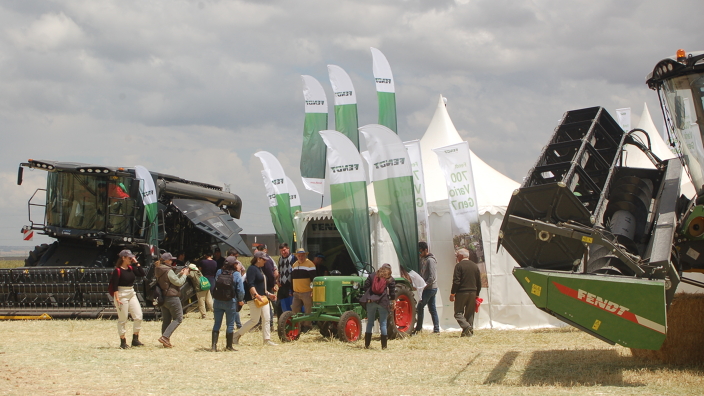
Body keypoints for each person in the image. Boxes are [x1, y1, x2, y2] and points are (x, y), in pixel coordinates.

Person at [232, 251, 278, 346]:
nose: (265, 261)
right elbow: (251, 284)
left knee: (267, 318)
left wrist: (269, 295)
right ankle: (235, 336)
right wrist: (256, 295)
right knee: (254, 320)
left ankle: (267, 339)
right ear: (258, 259)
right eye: (264, 259)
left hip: (263, 298)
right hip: (255, 299)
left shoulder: (260, 269)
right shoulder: (252, 269)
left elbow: (262, 287)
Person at [108, 249, 145, 349]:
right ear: (123, 258)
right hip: (121, 294)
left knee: (138, 316)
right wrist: (117, 298)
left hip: (131, 293)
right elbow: (115, 286)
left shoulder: (131, 268)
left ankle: (135, 339)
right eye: (129, 258)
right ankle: (123, 341)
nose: (131, 259)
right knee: (123, 319)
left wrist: (136, 262)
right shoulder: (117, 270)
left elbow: (142, 273)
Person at [155, 252, 190, 347]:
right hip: (172, 297)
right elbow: (178, 283)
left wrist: (179, 274)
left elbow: (170, 280)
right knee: (178, 318)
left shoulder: (159, 269)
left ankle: (165, 341)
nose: (172, 261)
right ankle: (165, 337)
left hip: (163, 296)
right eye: (170, 260)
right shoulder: (168, 270)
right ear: (166, 260)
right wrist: (185, 275)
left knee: (166, 320)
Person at [211, 256, 245, 352]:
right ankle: (229, 346)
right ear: (233, 264)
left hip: (217, 301)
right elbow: (241, 290)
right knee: (230, 325)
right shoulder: (236, 274)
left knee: (217, 323)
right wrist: (240, 300)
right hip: (230, 301)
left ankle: (214, 346)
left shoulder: (219, 272)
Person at [360, 263, 396, 349]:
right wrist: (392, 301)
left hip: (370, 301)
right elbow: (392, 292)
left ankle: (367, 345)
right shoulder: (389, 278)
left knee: (370, 323)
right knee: (383, 324)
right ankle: (384, 347)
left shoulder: (372, 275)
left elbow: (366, 286)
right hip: (382, 302)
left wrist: (371, 295)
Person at [450, 248, 482, 337]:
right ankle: (468, 333)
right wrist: (477, 294)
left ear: (461, 256)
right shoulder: (475, 266)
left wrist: (453, 294)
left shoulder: (459, 266)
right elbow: (479, 282)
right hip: (473, 292)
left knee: (458, 313)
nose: (456, 257)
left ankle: (467, 326)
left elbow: (456, 281)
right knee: (470, 313)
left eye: (457, 255)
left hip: (461, 292)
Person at [414, 241, 440, 334]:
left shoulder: (430, 260)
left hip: (430, 288)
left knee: (420, 306)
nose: (419, 254)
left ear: (426, 250)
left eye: (421, 252)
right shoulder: (423, 259)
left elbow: (432, 277)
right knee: (432, 308)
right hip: (428, 288)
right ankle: (436, 329)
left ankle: (418, 329)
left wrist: (424, 285)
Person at [291, 248, 316, 330]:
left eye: (302, 255)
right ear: (296, 256)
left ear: (305, 255)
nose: (301, 257)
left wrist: (312, 290)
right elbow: (292, 278)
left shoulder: (310, 264)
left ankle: (307, 326)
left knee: (308, 310)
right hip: (296, 292)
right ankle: (299, 325)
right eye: (299, 256)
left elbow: (314, 279)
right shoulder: (294, 265)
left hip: (307, 292)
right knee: (295, 309)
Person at [276, 243, 295, 317]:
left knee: (290, 305)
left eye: (284, 250)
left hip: (290, 285)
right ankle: (280, 322)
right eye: (281, 251)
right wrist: (277, 280)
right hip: (281, 285)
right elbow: (279, 271)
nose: (283, 252)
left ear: (288, 248)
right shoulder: (280, 259)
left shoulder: (293, 258)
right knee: (279, 305)